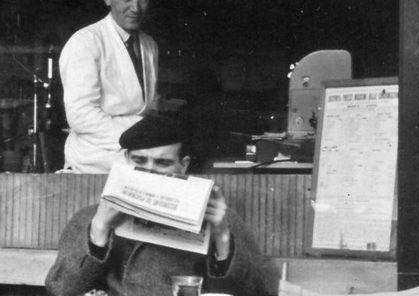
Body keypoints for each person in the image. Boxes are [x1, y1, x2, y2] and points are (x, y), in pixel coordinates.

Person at [45, 115, 278, 296]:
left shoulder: (218, 219)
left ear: (183, 166)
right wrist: (98, 229)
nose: (149, 170)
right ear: (126, 160)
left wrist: (223, 237)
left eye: (162, 163)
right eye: (139, 160)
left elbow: (259, 291)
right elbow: (60, 289)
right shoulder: (91, 217)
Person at [60, 0, 160, 173]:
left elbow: (147, 109)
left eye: (142, 0)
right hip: (94, 158)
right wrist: (141, 137)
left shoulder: (149, 45)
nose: (135, 8)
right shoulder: (85, 41)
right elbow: (81, 116)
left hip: (138, 152)